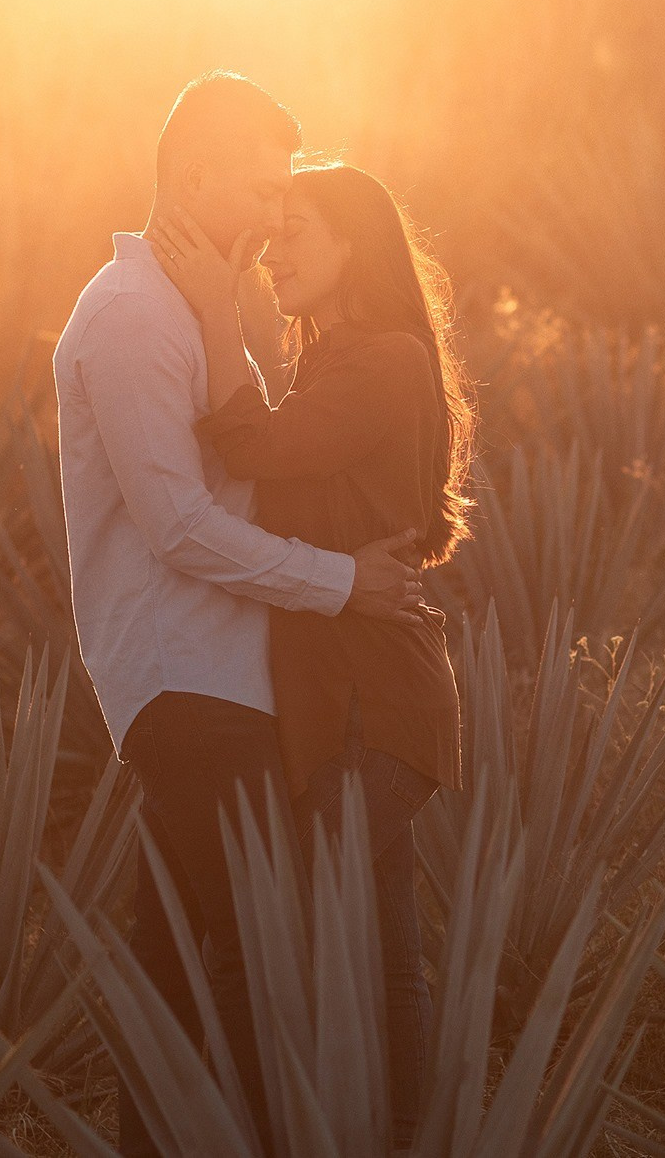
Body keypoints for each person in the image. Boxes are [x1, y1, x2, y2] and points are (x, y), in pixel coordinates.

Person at [53, 72, 432, 1158]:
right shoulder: (132, 315)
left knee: (179, 971)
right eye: (262, 190)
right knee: (261, 971)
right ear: (194, 177)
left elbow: (259, 467)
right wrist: (341, 581)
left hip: (234, 678)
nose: (274, 216)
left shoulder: (194, 310)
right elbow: (178, 525)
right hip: (188, 683)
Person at [147, 161, 472, 1153]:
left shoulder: (385, 361)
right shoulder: (334, 362)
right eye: (272, 229)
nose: (272, 251)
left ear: (353, 246)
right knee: (384, 952)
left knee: (276, 926)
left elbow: (254, 450)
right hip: (349, 704)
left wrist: (215, 311)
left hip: (375, 708)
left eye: (296, 231)